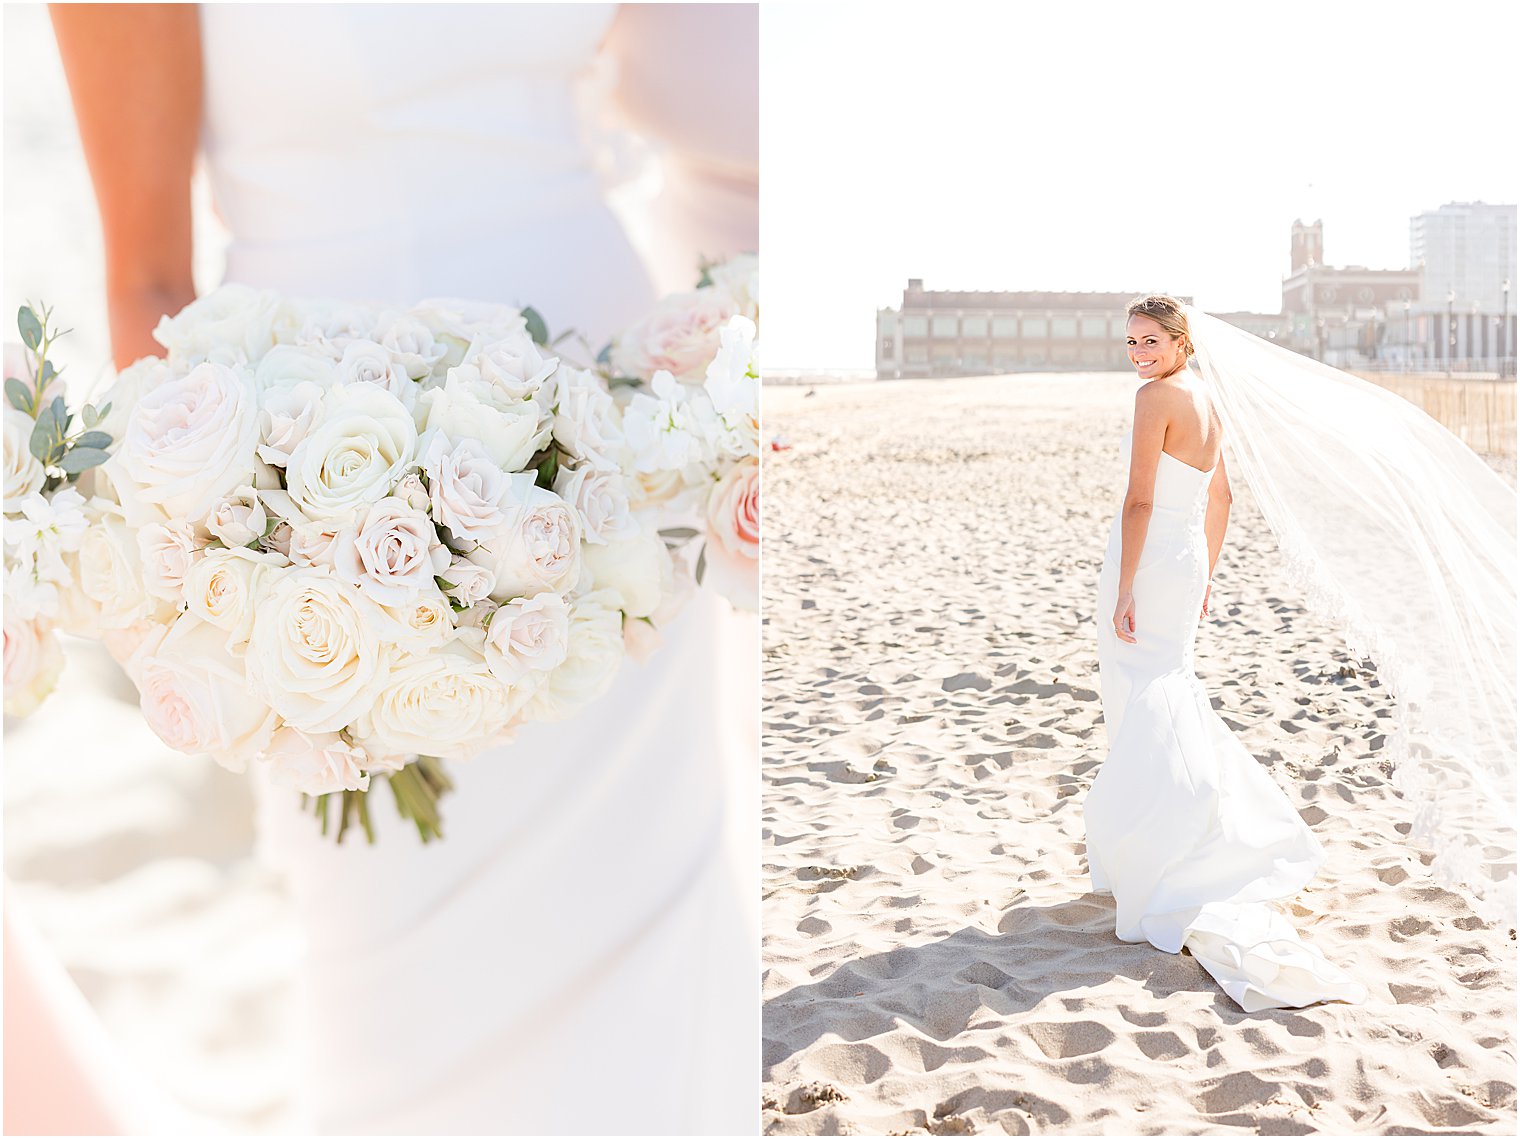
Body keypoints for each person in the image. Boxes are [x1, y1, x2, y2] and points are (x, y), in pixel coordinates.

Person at [43, 4, 758, 1132]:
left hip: (612, 463)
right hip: (315, 495)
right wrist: (240, 552)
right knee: (406, 975)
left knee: (646, 934)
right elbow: (145, 280)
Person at [1086, 294, 1370, 1011]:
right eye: (1131, 342)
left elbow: (1138, 502)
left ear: (1181, 340)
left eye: (1151, 339)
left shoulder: (1156, 397)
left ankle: (1166, 842)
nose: (1140, 353)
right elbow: (1223, 499)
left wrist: (1124, 586)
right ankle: (1191, 827)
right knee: (1169, 684)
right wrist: (1203, 574)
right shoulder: (1208, 397)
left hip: (1151, 559)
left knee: (1144, 690)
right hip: (1183, 561)